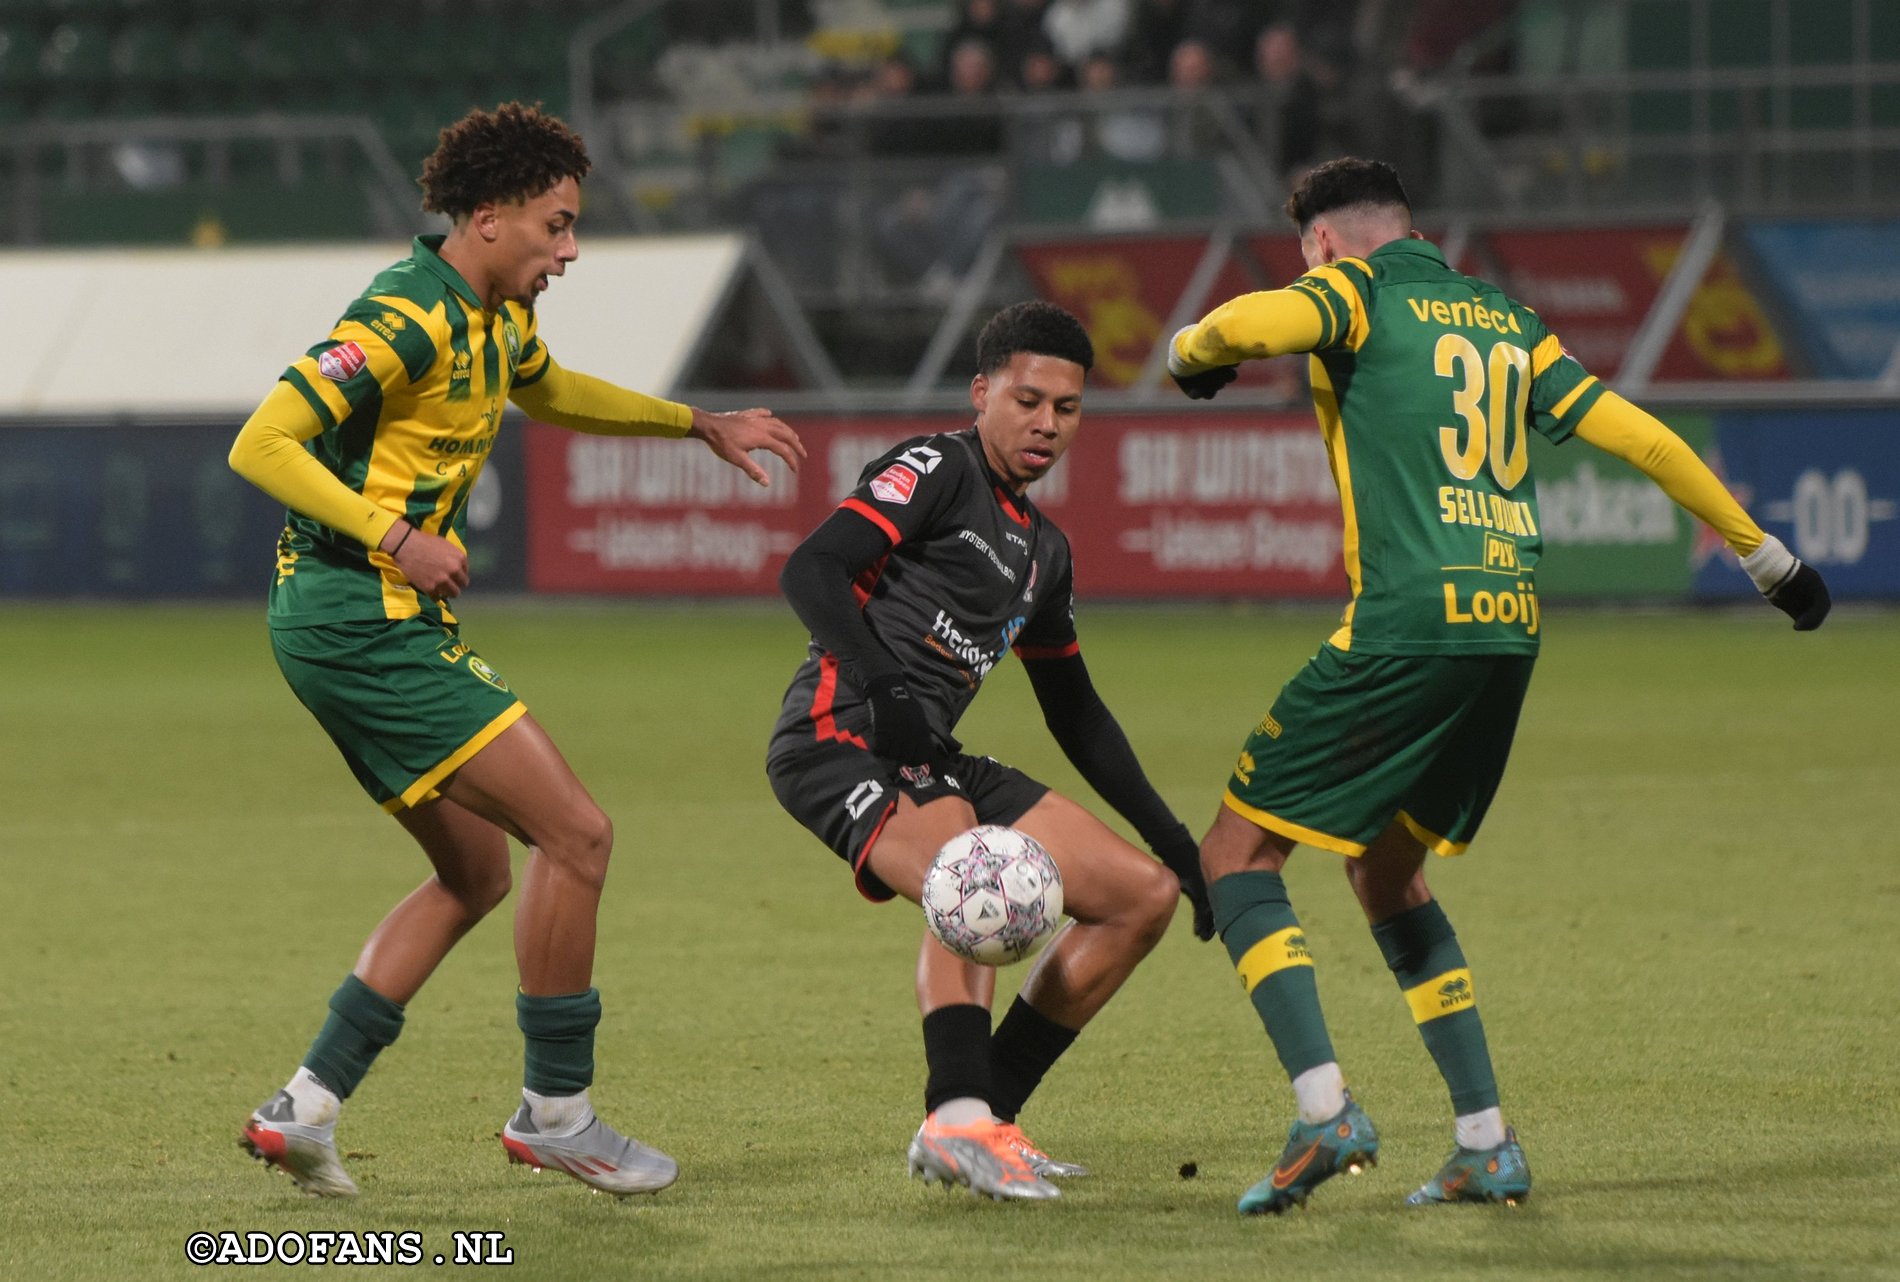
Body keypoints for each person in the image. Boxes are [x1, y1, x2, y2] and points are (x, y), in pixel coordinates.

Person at [1164, 156, 1830, 1215]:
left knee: (1233, 855)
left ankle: (1324, 1106)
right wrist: (1766, 559)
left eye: (1307, 253)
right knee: (1387, 874)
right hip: (1508, 627)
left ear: (1327, 242)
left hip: (1405, 622)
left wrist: (1187, 351)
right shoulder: (1506, 321)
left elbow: (1248, 328)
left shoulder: (1350, 291)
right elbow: (1645, 436)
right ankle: (1484, 1141)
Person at [227, 102, 805, 1199]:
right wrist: (396, 534)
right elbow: (263, 440)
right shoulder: (403, 315)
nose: (571, 248)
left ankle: (301, 1109)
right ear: (488, 218)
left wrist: (699, 424)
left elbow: (552, 390)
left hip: (359, 623)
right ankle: (557, 1114)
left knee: (475, 873)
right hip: (361, 615)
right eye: (557, 224)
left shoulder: (491, 320)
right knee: (577, 836)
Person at [766, 300, 1214, 1202]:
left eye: (1068, 409)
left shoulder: (1046, 551)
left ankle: (984, 1123)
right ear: (982, 393)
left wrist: (1174, 841)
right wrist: (886, 685)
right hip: (840, 730)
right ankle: (957, 1115)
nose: (1047, 423)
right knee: (971, 863)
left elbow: (1075, 710)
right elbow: (811, 567)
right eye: (1028, 399)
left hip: (930, 750)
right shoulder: (938, 466)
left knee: (1139, 898)